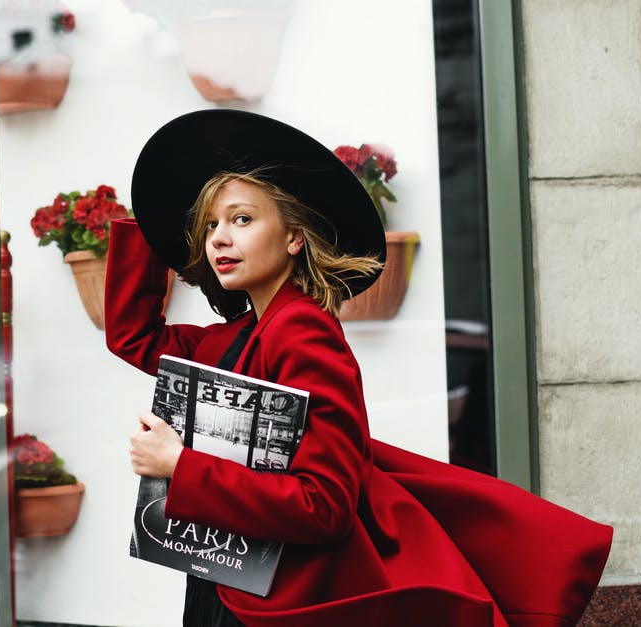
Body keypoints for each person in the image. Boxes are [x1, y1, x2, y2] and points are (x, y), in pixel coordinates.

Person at [105, 109, 613, 627]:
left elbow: (323, 504)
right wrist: (152, 221)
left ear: (294, 238)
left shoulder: (303, 332)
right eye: (211, 224)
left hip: (276, 604)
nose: (217, 238)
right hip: (224, 585)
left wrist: (180, 465)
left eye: (241, 219)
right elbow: (134, 337)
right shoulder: (236, 337)